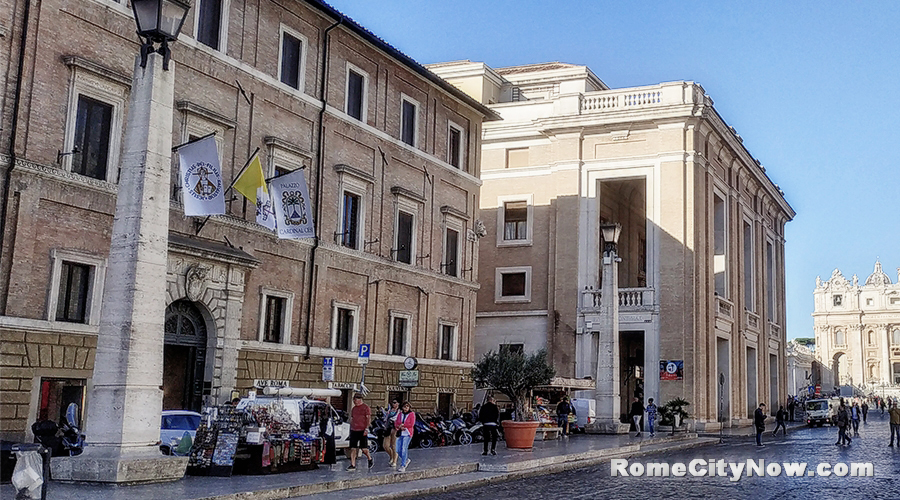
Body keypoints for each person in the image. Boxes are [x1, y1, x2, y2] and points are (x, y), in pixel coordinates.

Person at [347, 393, 374, 470]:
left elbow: (368, 418)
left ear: (360, 399)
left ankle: (369, 458)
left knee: (364, 449)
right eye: (353, 400)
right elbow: (352, 418)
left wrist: (367, 428)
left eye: (355, 400)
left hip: (362, 430)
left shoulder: (366, 408)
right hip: (354, 430)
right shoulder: (354, 409)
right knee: (353, 448)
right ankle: (353, 464)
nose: (354, 401)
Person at [394, 401, 415, 472]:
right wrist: (398, 427)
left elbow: (411, 424)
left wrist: (403, 426)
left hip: (407, 434)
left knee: (404, 449)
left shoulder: (412, 414)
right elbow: (396, 423)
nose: (406, 408)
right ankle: (406, 459)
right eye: (404, 407)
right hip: (400, 433)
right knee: (397, 449)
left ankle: (403, 465)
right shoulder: (400, 414)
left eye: (407, 407)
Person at [383, 400, 400, 467]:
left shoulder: (399, 411)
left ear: (398, 403)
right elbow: (386, 418)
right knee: (385, 445)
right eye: (393, 402)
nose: (394, 404)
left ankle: (394, 461)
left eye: (395, 402)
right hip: (388, 428)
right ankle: (391, 456)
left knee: (394, 445)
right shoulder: (390, 410)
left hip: (395, 429)